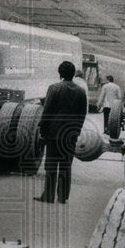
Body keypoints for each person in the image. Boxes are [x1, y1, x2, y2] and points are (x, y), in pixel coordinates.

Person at [35, 60, 88, 204]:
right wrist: (76, 131)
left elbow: (47, 111)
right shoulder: (81, 91)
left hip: (53, 133)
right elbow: (82, 114)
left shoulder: (54, 88)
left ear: (60, 73)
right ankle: (63, 196)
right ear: (73, 74)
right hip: (70, 134)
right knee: (66, 165)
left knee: (51, 165)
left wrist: (42, 130)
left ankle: (49, 196)